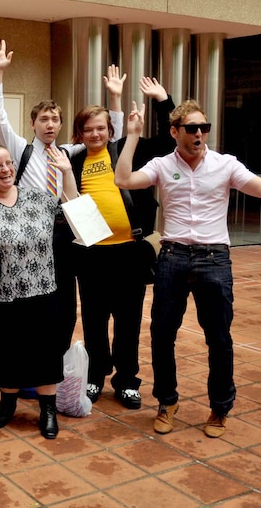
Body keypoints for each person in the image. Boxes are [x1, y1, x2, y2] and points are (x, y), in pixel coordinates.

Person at [115, 101, 261, 438]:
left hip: (214, 260)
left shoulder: (225, 165)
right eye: (191, 128)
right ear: (174, 132)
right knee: (162, 335)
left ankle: (220, 407)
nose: (199, 134)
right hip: (173, 258)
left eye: (203, 128)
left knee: (219, 339)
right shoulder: (162, 165)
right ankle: (167, 401)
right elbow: (123, 179)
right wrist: (132, 135)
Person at [0, 38, 125, 359]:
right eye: (43, 120)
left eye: (55, 120)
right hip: (33, 233)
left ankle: (57, 362)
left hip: (66, 234)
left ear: (61, 125)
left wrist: (114, 99)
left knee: (66, 305)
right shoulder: (21, 150)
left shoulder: (69, 152)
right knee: (36, 301)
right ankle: (31, 360)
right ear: (33, 124)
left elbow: (108, 137)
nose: (50, 125)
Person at [68, 77, 176, 409]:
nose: (95, 134)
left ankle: (127, 380)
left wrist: (162, 101)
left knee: (128, 322)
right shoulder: (74, 161)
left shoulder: (132, 149)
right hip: (91, 255)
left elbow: (167, 141)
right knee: (95, 322)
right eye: (89, 129)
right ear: (81, 133)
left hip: (130, 252)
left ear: (109, 130)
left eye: (101, 128)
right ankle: (95, 377)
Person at [0, 144, 77, 438]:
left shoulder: (37, 197)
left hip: (44, 288)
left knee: (46, 351)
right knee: (8, 352)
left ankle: (48, 410)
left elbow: (74, 210)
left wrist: (67, 174)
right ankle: (7, 405)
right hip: (4, 292)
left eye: (9, 163)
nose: (6, 169)